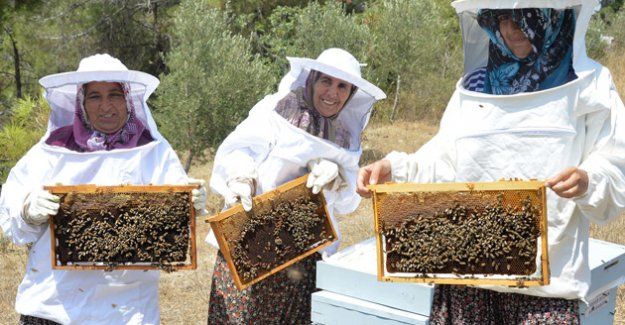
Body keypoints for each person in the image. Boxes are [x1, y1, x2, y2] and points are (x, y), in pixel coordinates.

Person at [357, 0, 625, 324]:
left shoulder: (588, 83)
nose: (513, 28)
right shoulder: (474, 87)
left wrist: (588, 179)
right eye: (503, 18)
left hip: (546, 287)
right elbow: (444, 158)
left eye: (525, 16)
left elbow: (614, 159)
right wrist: (395, 169)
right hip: (466, 277)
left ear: (551, 14)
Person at [0, 53, 208, 325]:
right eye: (95, 96)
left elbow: (176, 206)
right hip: (55, 304)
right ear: (81, 103)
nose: (106, 105)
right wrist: (27, 208)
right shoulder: (52, 150)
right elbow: (11, 205)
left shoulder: (152, 150)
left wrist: (191, 201)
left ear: (128, 99)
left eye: (114, 94)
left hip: (128, 310)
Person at [206, 48, 386, 324]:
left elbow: (349, 201)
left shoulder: (344, 134)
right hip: (253, 241)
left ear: (350, 93)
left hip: (305, 254)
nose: (332, 93)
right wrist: (241, 177)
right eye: (326, 81)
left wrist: (338, 178)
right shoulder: (275, 111)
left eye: (342, 86)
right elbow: (237, 150)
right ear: (312, 79)